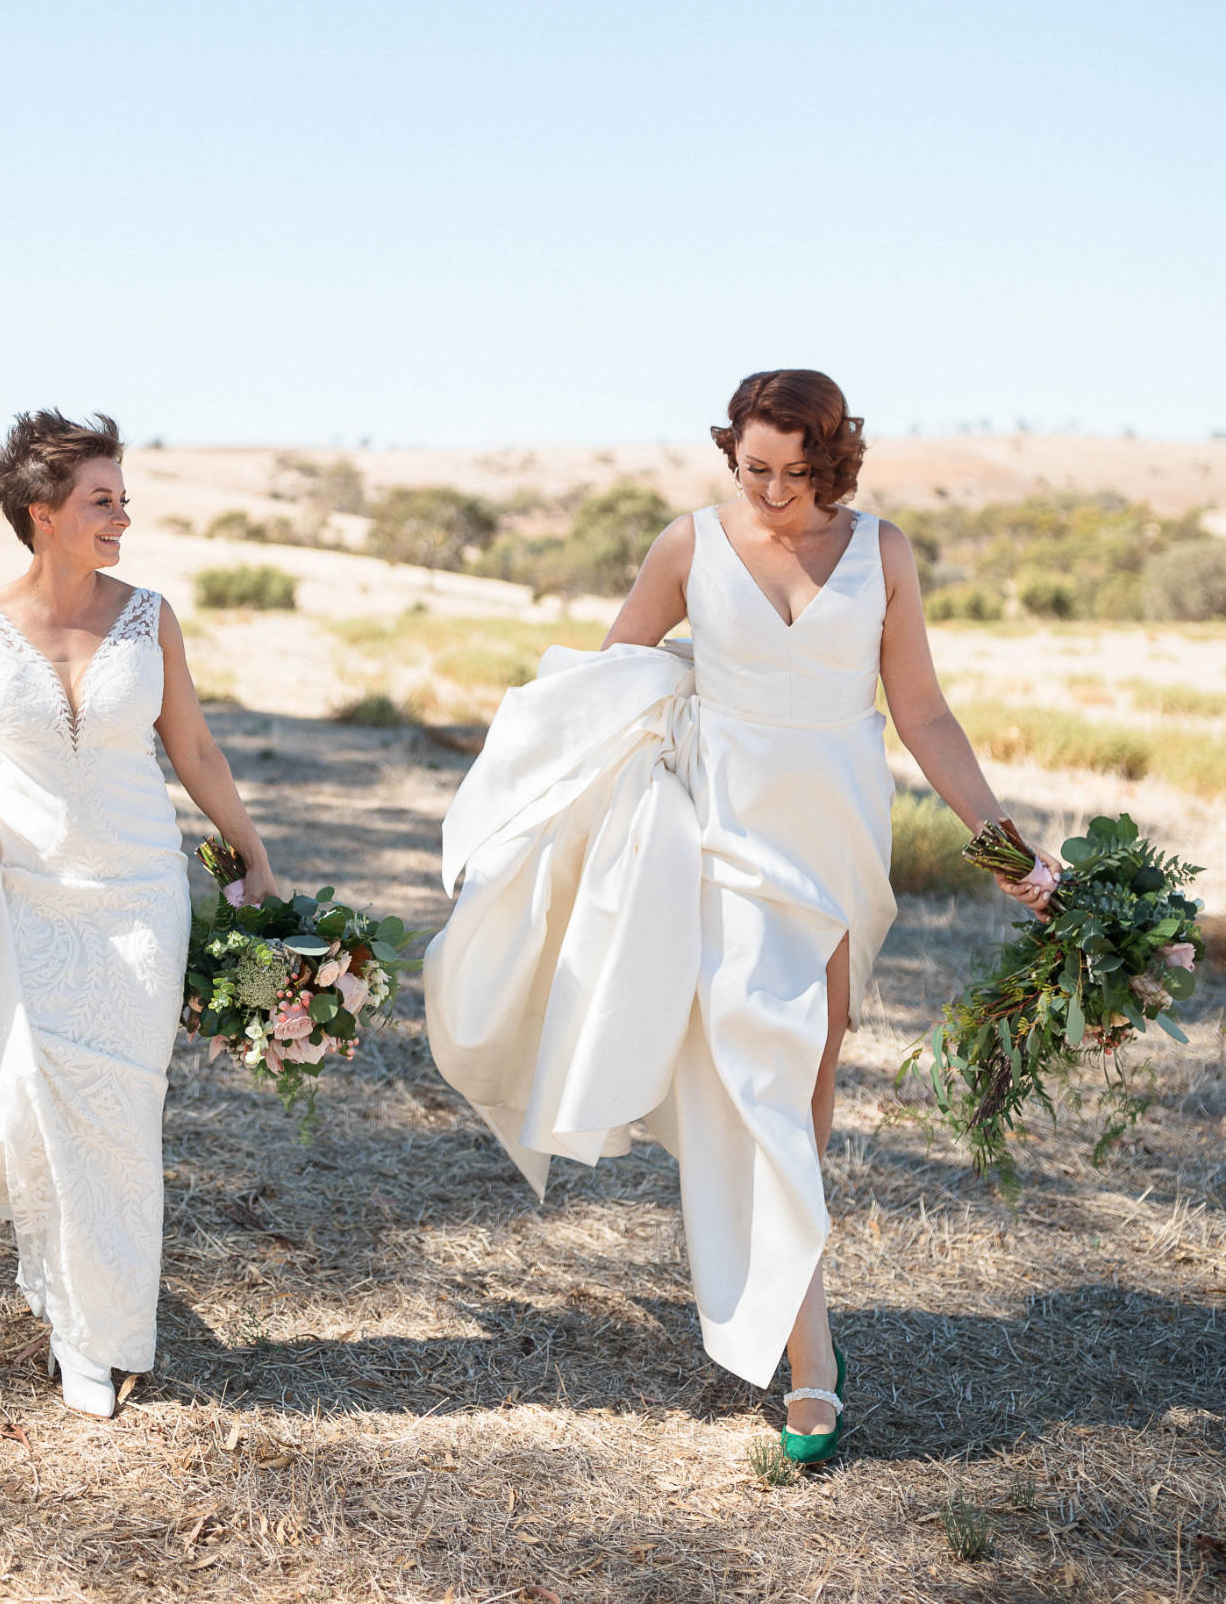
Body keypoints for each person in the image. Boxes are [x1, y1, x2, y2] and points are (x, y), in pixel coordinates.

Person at [425, 369, 1057, 1464]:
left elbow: (923, 712)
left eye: (794, 473)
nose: (770, 492)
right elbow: (608, 682)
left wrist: (1002, 845)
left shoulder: (882, 553)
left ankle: (789, 1303)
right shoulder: (686, 546)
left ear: (834, 462)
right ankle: (811, 1367)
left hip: (840, 839)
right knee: (757, 1084)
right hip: (723, 835)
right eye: (752, 468)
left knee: (803, 1099)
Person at [0, 410, 276, 1419]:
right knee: (38, 1110)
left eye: (124, 498)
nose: (122, 516)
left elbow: (196, 751)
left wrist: (251, 851)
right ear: (42, 514)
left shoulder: (151, 615)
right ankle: (70, 1308)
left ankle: (103, 1332)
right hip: (26, 895)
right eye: (102, 499)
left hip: (139, 896)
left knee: (122, 1113)